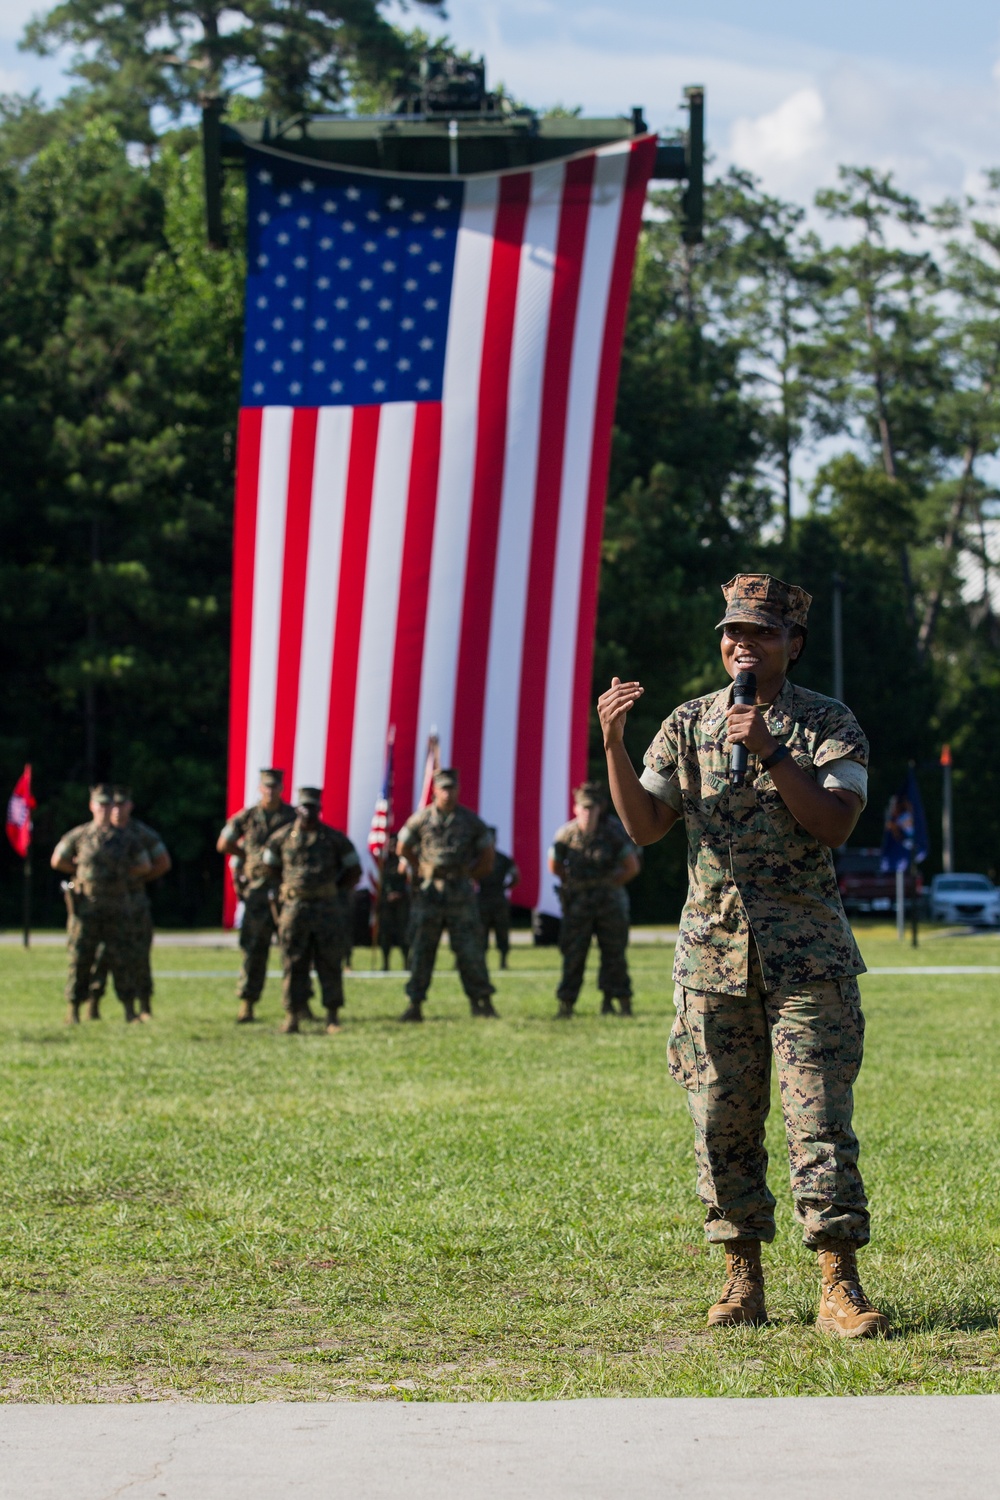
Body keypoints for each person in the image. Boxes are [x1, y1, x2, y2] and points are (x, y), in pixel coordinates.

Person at [598, 572, 888, 1339]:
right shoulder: (690, 721)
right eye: (732, 631)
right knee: (721, 1120)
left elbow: (832, 825)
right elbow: (646, 828)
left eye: (759, 632)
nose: (741, 643)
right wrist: (613, 745)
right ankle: (741, 1277)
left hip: (808, 963)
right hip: (712, 960)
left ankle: (838, 1282)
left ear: (792, 642)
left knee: (819, 1122)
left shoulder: (829, 723)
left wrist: (771, 751)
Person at [396, 769, 497, 1021]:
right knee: (422, 949)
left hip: (460, 894)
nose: (448, 793)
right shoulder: (420, 819)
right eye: (443, 788)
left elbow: (487, 854)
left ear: (458, 790)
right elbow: (402, 846)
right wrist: (420, 868)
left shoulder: (471, 821)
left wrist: (471, 874)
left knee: (469, 949)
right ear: (434, 791)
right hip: (430, 894)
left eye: (452, 788)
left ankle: (481, 1002)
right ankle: (414, 1003)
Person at [261, 787, 360, 1034]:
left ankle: (332, 1016)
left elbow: (353, 870)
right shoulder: (281, 838)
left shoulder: (334, 839)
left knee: (329, 961)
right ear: (297, 809)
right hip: (294, 908)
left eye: (313, 808)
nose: (308, 813)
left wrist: (334, 890)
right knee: (293, 962)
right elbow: (269, 868)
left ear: (319, 810)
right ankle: (292, 1015)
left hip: (327, 908)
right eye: (304, 807)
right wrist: (285, 888)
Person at [51, 785, 152, 1024]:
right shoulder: (81, 835)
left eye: (109, 805)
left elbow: (146, 865)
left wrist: (124, 874)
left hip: (118, 907)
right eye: (101, 804)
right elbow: (57, 859)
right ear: (92, 806)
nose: (106, 809)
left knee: (122, 959)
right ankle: (74, 1010)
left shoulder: (126, 838)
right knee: (81, 958)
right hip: (87, 908)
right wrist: (80, 871)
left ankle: (130, 1010)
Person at [548, 784, 640, 1017]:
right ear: (575, 808)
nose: (587, 812)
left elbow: (631, 867)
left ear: (599, 809)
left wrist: (609, 885)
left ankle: (618, 1001)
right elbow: (554, 865)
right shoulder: (566, 834)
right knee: (574, 954)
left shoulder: (613, 832)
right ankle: (566, 1004)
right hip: (578, 904)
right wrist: (574, 884)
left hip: (609, 903)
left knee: (614, 953)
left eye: (592, 808)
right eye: (583, 807)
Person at [217, 768, 295, 1023]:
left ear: (282, 789)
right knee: (253, 949)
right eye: (266, 787)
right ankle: (247, 1003)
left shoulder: (293, 816)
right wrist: (246, 858)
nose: (270, 791)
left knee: (293, 950)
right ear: (260, 788)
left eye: (275, 787)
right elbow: (223, 843)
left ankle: (296, 1004)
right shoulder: (247, 817)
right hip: (257, 893)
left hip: (286, 891)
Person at [87, 787, 171, 1022]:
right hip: (102, 904)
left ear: (129, 805)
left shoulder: (140, 834)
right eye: (111, 804)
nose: (115, 809)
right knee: (101, 955)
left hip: (134, 903)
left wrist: (133, 880)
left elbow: (162, 862)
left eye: (121, 804)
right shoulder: (95, 835)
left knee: (138, 954)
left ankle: (144, 1004)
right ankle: (93, 1003)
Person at [476, 833, 520, 969]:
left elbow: (516, 876)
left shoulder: (503, 859)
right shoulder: (478, 859)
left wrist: (505, 887)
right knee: (481, 933)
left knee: (502, 932)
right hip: (483, 899)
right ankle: (482, 961)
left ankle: (503, 961)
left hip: (498, 900)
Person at [374, 835, 411, 971]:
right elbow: (381, 885)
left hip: (402, 903)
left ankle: (407, 962)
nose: (391, 848)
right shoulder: (383, 863)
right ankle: (385, 963)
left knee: (404, 934)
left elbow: (411, 882)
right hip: (387, 904)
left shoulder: (405, 863)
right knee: (385, 934)